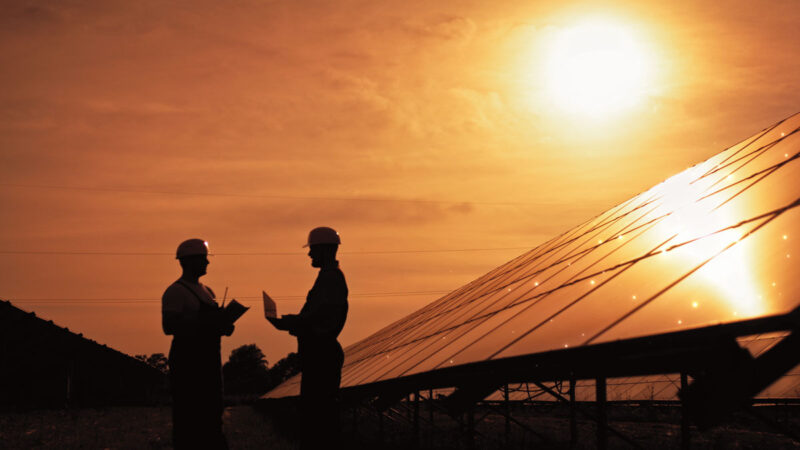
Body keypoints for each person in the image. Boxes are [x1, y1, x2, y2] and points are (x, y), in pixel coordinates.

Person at [270, 227, 349, 450]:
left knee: (319, 420)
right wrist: (294, 322)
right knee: (319, 418)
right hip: (320, 353)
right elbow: (316, 317)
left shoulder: (331, 278)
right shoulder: (328, 277)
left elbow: (318, 318)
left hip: (321, 355)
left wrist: (290, 322)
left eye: (313, 249)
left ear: (325, 250)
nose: (310, 254)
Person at [162, 238, 234, 450]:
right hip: (188, 364)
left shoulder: (208, 291)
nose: (207, 263)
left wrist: (223, 326)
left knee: (212, 415)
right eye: (203, 259)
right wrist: (207, 322)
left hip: (210, 361)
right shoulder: (175, 291)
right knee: (189, 419)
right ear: (188, 261)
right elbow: (169, 326)